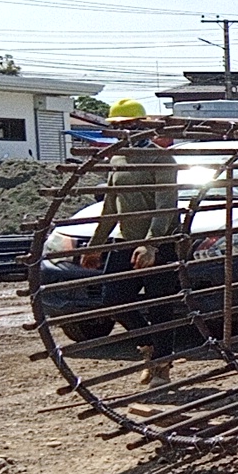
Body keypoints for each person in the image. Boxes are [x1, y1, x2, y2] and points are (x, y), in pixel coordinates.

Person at [88, 99, 180, 386]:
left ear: (142, 127)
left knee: (160, 305)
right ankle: (149, 347)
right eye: (117, 128)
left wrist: (152, 244)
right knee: (113, 299)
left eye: (127, 127)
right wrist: (97, 245)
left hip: (159, 242)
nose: (122, 133)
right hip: (127, 240)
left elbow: (165, 206)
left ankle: (162, 367)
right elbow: (110, 207)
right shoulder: (116, 159)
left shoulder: (161, 159)